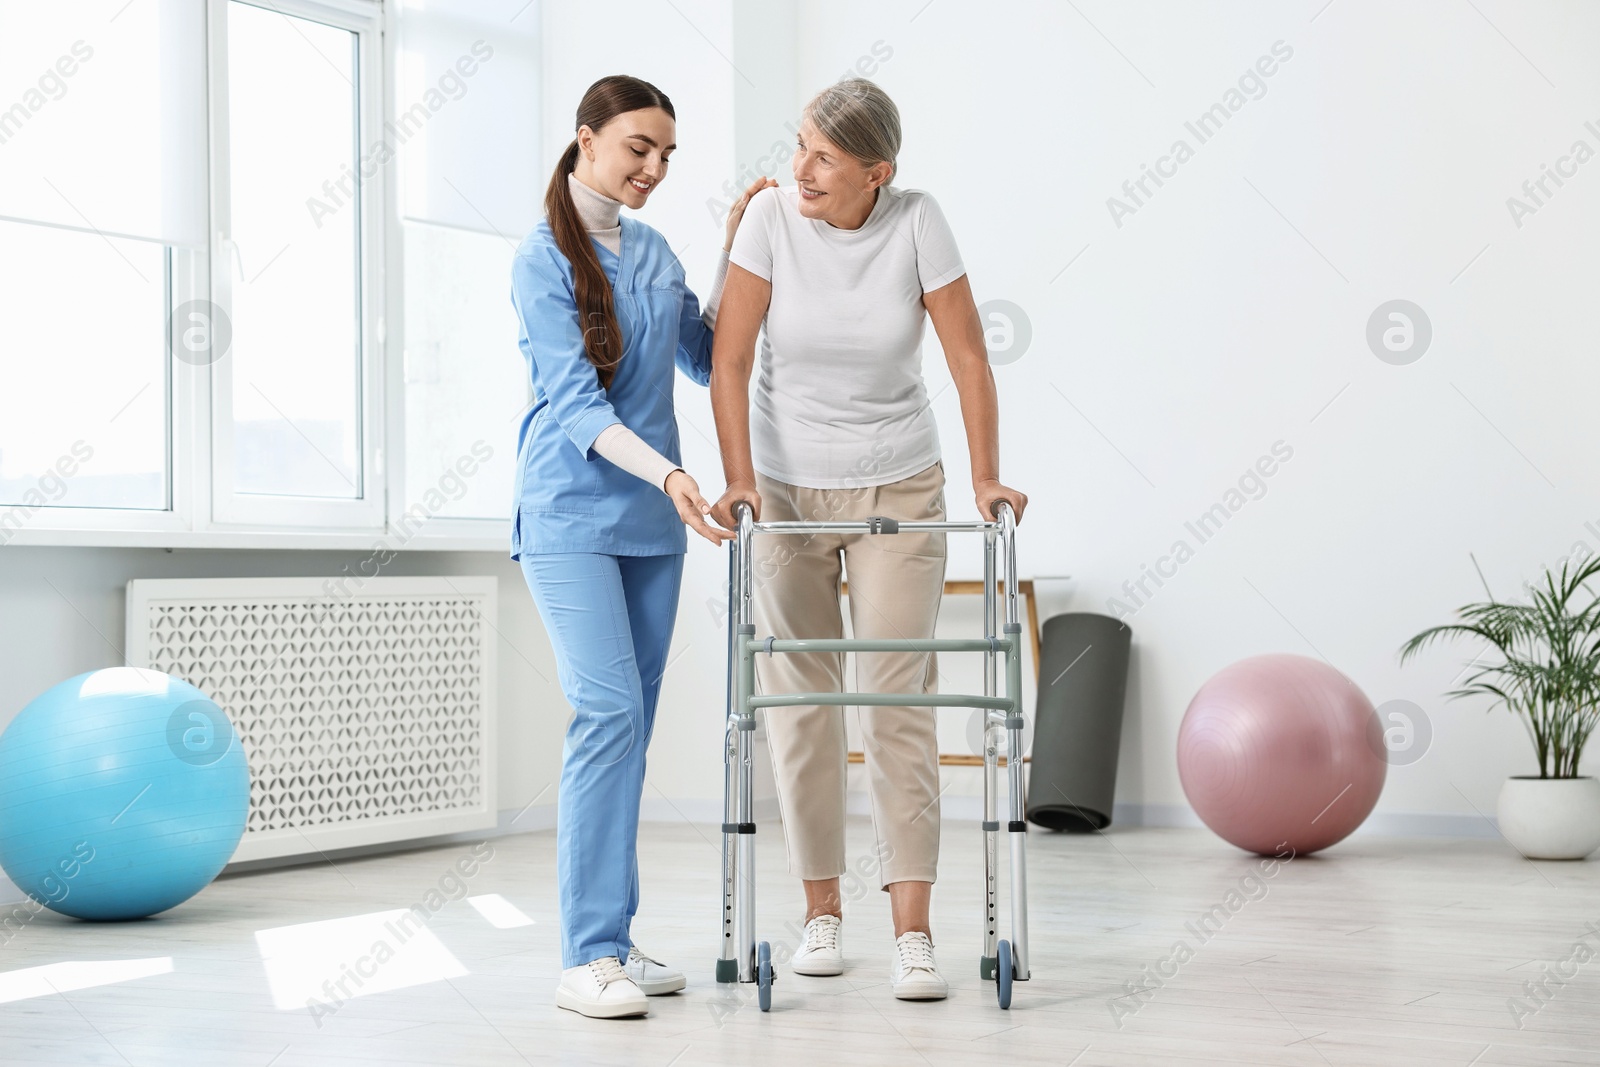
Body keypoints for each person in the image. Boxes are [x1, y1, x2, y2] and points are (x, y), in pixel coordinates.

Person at [709, 78, 1028, 1001]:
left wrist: (984, 476)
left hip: (900, 483)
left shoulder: (919, 221)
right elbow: (729, 358)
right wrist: (739, 478)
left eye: (824, 156)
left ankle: (913, 932)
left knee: (897, 698)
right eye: (799, 142)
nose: (800, 166)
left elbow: (968, 355)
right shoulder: (769, 217)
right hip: (785, 488)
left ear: (876, 173)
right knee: (801, 701)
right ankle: (821, 913)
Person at [511, 74, 771, 1019]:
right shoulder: (541, 257)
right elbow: (575, 405)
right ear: (586, 140)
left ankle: (614, 942)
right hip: (572, 516)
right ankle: (585, 955)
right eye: (637, 148)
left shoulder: (656, 248)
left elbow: (707, 356)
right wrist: (668, 473)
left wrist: (751, 248)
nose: (653, 168)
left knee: (631, 734)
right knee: (607, 715)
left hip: (654, 532)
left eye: (667, 155)